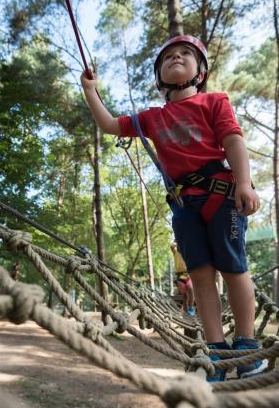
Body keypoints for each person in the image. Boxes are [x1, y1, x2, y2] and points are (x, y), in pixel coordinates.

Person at [80, 35, 267, 382]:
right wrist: (91, 90)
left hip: (220, 194)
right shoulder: (151, 118)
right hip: (184, 205)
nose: (176, 57)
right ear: (159, 78)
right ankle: (215, 348)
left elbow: (232, 140)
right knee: (200, 275)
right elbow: (108, 125)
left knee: (233, 266)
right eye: (168, 56)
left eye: (184, 54)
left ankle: (246, 345)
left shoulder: (214, 102)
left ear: (200, 71)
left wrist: (243, 183)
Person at [171, 243, 195, 316]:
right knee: (184, 296)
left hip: (187, 273)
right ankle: (185, 313)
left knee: (190, 289)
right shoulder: (175, 252)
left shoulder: (186, 253)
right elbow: (172, 246)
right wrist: (178, 241)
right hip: (180, 275)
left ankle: (191, 307)